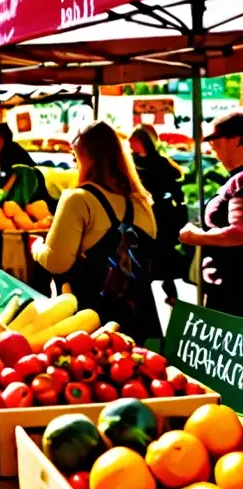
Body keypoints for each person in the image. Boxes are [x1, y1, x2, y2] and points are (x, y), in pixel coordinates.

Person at [31, 121, 158, 340]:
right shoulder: (142, 201)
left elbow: (57, 262)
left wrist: (36, 247)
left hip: (90, 325)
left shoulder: (78, 199)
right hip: (137, 321)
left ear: (84, 156)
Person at [180, 112, 243, 314]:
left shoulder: (240, 180)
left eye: (216, 141)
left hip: (234, 291)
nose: (212, 148)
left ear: (237, 140)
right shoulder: (235, 178)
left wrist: (195, 236)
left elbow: (238, 232)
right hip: (225, 287)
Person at [130, 126, 186, 303]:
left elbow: (175, 185)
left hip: (162, 214)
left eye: (135, 141)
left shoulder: (159, 162)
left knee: (163, 253)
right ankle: (144, 294)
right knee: (144, 253)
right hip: (141, 212)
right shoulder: (132, 162)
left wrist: (177, 205)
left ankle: (171, 293)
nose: (132, 145)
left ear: (142, 142)